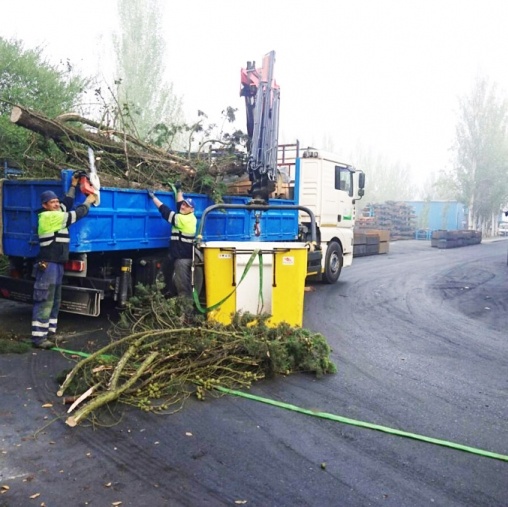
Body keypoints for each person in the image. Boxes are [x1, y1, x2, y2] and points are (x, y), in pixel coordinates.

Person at [31, 175, 98, 349]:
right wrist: (89, 200)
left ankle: (50, 334)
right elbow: (77, 213)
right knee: (45, 299)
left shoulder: (57, 211)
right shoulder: (48, 217)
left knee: (55, 300)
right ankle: (39, 339)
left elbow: (66, 203)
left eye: (55, 201)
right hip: (48, 265)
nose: (55, 203)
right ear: (44, 205)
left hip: (57, 264)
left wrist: (74, 185)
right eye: (51, 202)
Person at [148, 183, 197, 298]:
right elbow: (179, 203)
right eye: (184, 204)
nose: (183, 207)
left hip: (183, 259)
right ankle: (166, 297)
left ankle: (185, 311)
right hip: (176, 255)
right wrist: (179, 190)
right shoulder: (187, 215)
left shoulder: (183, 219)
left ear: (192, 209)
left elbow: (165, 212)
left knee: (182, 286)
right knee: (165, 276)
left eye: (186, 206)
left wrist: (154, 198)